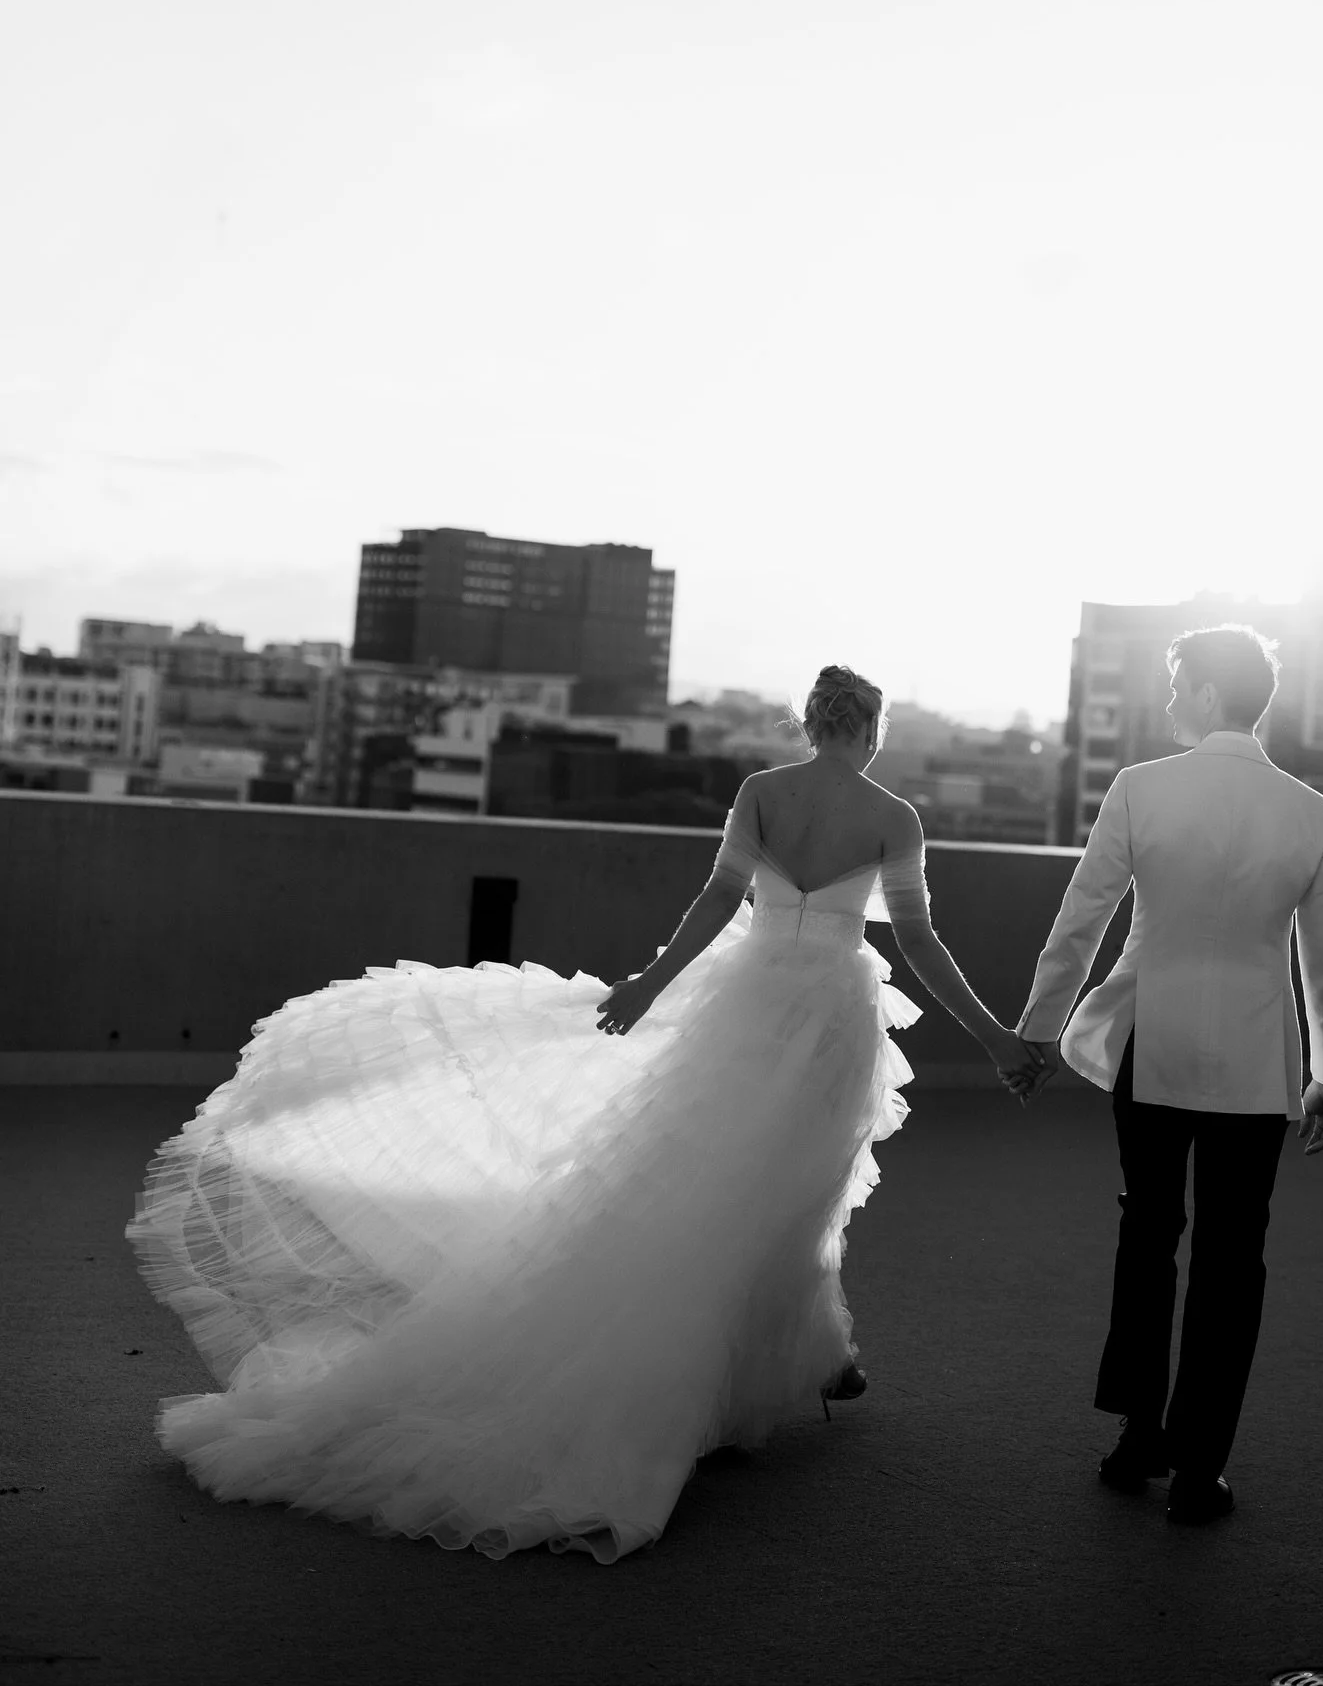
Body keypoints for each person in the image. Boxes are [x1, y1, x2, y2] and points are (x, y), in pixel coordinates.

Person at [127, 664, 1042, 1563]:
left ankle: (808, 1358)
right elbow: (917, 940)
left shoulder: (764, 790)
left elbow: (718, 901)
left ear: (811, 725)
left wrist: (649, 985)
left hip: (747, 1002)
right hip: (833, 1017)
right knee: (795, 1195)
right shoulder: (894, 818)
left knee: (714, 1186)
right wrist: (999, 1037)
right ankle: (754, 1373)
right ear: (871, 731)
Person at [1004, 623, 1323, 1525]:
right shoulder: (1313, 813)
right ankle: (1200, 1470)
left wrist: (1039, 1033)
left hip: (1150, 1045)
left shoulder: (1140, 788)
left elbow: (1080, 919)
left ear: (1204, 694)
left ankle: (1136, 1439)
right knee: (1234, 1261)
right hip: (1254, 1059)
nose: (1167, 702)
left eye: (1175, 685)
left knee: (1147, 1235)